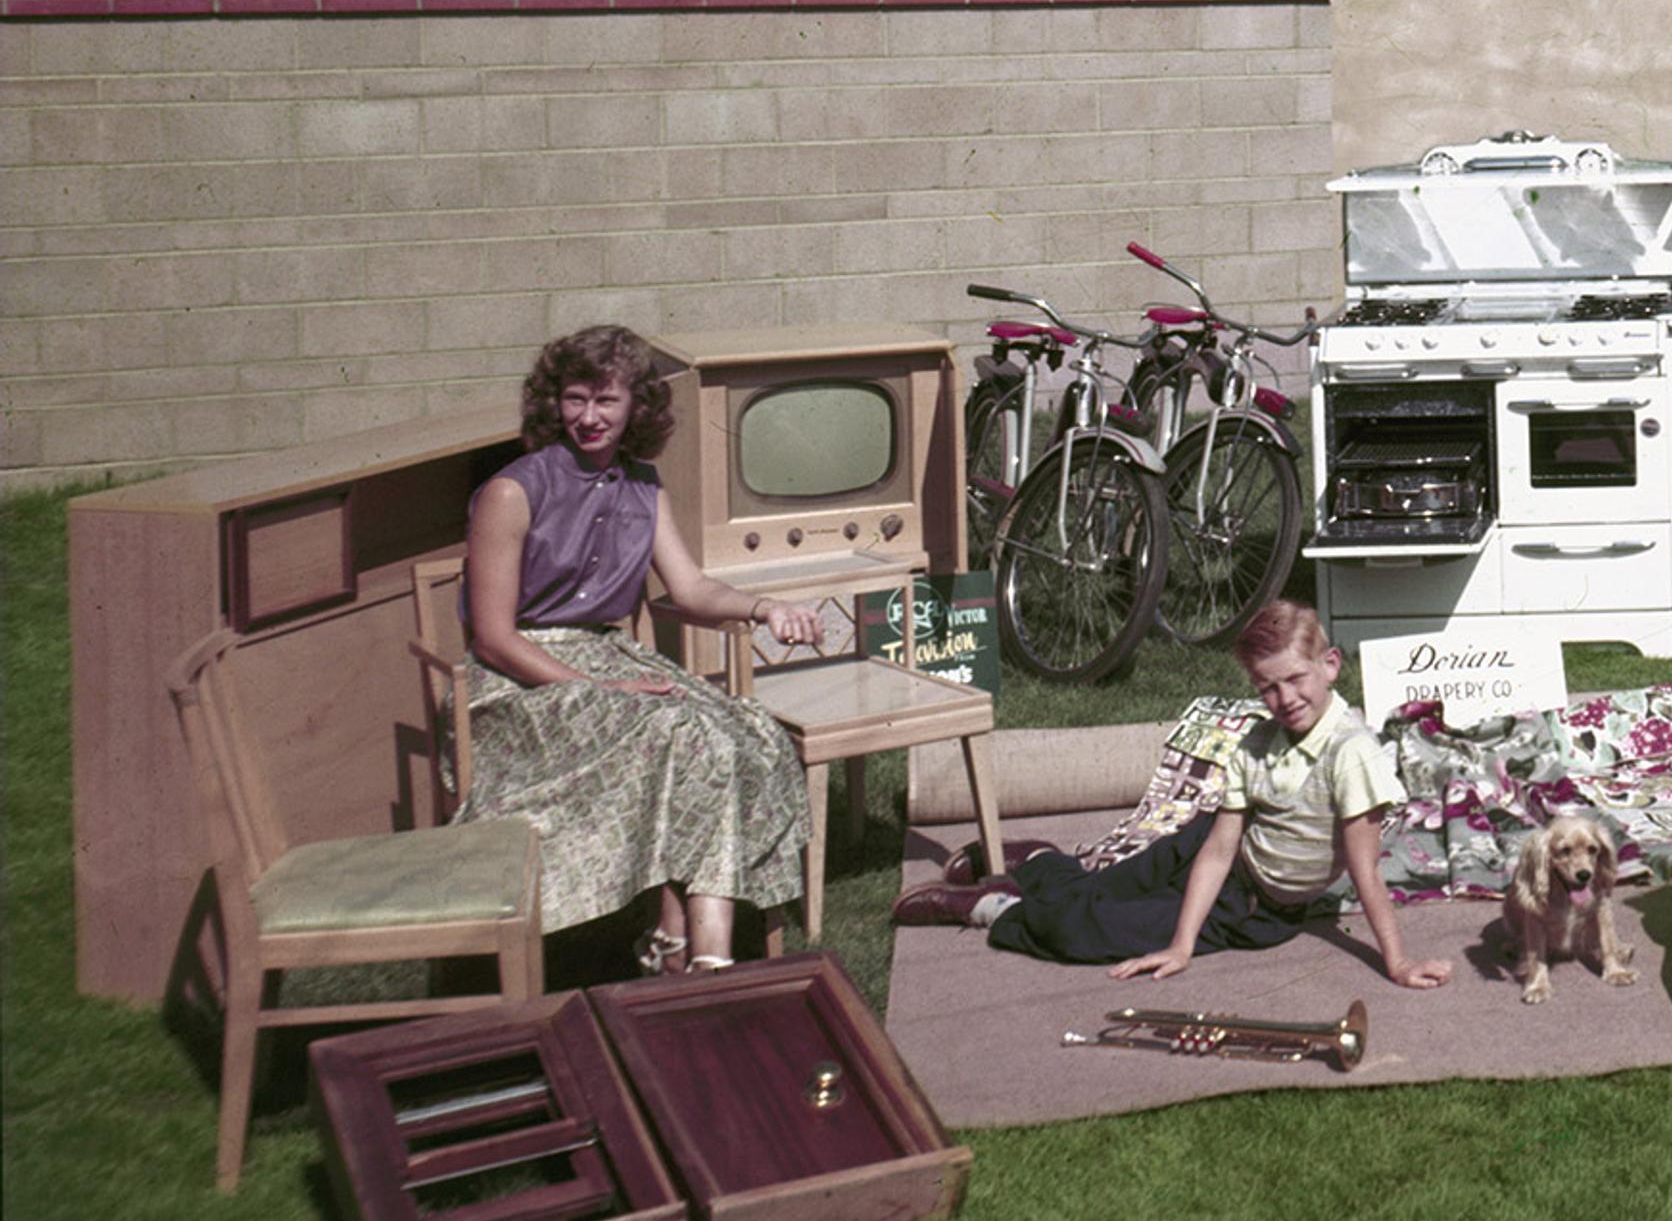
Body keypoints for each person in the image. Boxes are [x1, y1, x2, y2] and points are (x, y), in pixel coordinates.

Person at [459, 324, 819, 974]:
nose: (589, 417)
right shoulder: (513, 491)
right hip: (519, 682)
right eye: (575, 399)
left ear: (636, 408)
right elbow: (493, 636)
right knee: (682, 732)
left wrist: (767, 608)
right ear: (552, 402)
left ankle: (685, 944)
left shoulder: (644, 489)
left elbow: (690, 587)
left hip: (612, 660)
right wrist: (598, 690)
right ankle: (692, 950)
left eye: (607, 401)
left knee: (750, 730)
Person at [904, 599, 1452, 991]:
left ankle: (991, 907)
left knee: (1087, 926)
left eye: (1295, 679)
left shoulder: (1350, 753)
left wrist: (1398, 962)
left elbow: (1366, 872)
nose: (1284, 698)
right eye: (1267, 686)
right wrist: (1182, 944)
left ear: (1329, 665)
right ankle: (1040, 863)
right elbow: (1216, 848)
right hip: (1207, 850)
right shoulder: (1259, 739)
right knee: (1101, 887)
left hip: (1251, 908)